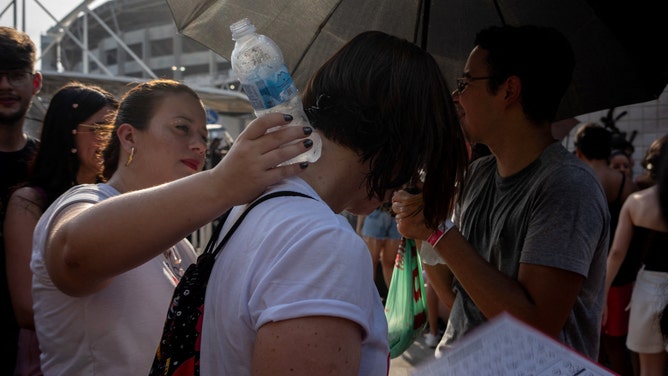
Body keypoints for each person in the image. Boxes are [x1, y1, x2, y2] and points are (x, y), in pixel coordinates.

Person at [198, 31, 468, 375]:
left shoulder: (258, 202)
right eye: (418, 156)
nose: (409, 177)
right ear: (398, 141)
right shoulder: (322, 244)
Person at [30, 79, 314, 375]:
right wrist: (224, 184)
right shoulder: (85, 200)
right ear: (129, 137)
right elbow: (73, 255)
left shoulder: (181, 245)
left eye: (203, 136)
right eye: (181, 128)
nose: (200, 146)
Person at [392, 25, 609, 361]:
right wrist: (425, 223)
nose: (455, 96)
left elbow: (536, 327)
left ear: (509, 90)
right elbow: (462, 299)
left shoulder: (566, 186)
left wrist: (437, 232)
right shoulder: (477, 174)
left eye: (465, 83)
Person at [4, 82, 118, 375]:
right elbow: (26, 307)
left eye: (116, 128)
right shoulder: (29, 202)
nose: (110, 138)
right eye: (100, 127)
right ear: (68, 131)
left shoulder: (114, 197)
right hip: (53, 356)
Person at [574, 122, 638, 375]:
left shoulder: (577, 184)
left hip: (585, 275)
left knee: (591, 345)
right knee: (617, 347)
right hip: (621, 277)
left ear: (579, 152)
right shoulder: (625, 184)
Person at [605, 136, 668, 376]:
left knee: (650, 371)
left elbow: (616, 253)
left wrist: (602, 296)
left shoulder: (637, 202)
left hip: (649, 289)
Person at [0, 26, 42, 375]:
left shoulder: (47, 165)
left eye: (15, 75)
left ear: (36, 82)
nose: (4, 86)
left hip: (33, 340)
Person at [357, 201, 402, 292]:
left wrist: (359, 226)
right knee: (373, 262)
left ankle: (393, 300)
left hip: (392, 215)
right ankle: (369, 297)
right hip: (381, 214)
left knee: (385, 262)